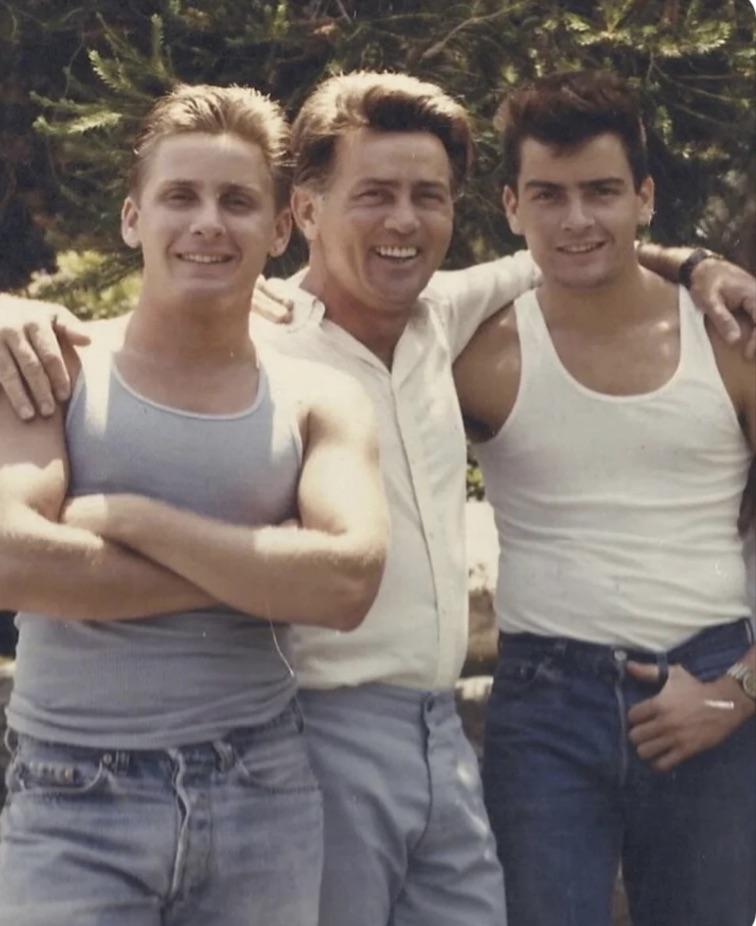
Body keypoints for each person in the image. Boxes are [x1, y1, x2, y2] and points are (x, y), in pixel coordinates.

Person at [1, 71, 756, 926]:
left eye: (427, 196)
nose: (404, 220)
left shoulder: (449, 311)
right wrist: (13, 312)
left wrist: (698, 263)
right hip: (313, 735)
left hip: (443, 736)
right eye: (374, 195)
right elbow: (142, 319)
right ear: (306, 214)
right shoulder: (250, 340)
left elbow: (576, 236)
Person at [0, 83, 388, 926]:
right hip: (73, 800)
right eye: (180, 196)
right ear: (133, 218)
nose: (208, 222)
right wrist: (262, 569)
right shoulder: (52, 368)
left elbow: (349, 584)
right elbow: (14, 560)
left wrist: (134, 520)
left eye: (238, 201)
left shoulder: (321, 398)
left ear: (281, 229)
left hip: (262, 793)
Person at [453, 70, 756, 926]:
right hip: (546, 700)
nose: (577, 219)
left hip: (713, 685)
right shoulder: (481, 351)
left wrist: (737, 691)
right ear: (512, 205)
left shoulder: (729, 337)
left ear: (644, 197)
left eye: (602, 192)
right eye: (548, 195)